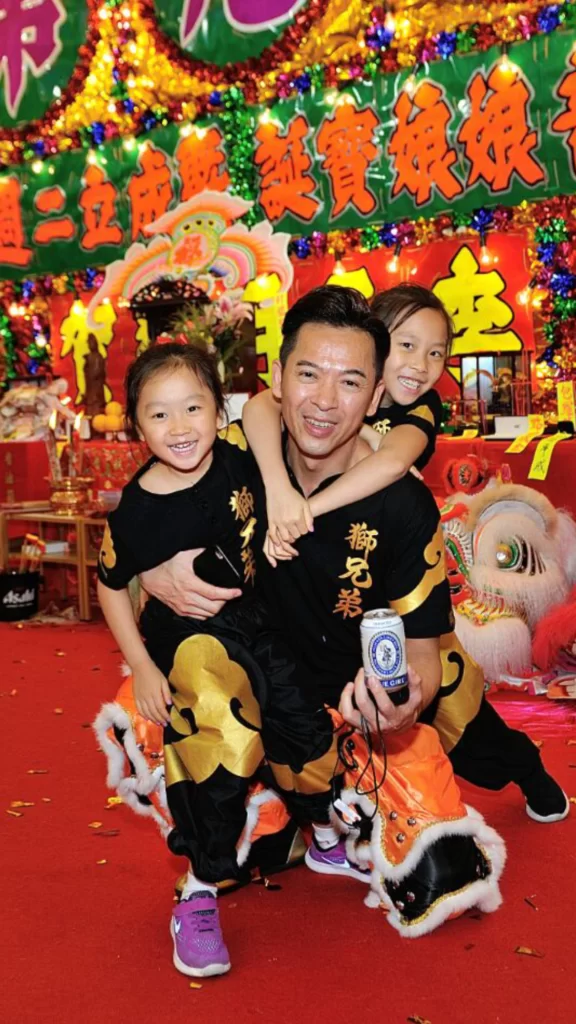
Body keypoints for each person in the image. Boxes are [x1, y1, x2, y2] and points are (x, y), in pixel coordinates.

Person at [142, 286, 568, 827]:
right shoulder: (240, 452)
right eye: (308, 374)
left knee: (466, 728)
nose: (325, 399)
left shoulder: (402, 486)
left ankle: (526, 769)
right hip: (284, 657)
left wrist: (408, 699)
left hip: (378, 645)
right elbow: (141, 518)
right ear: (280, 377)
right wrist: (154, 569)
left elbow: (421, 651)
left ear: (373, 390)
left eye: (349, 380)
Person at [96, 341, 356, 980]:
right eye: (159, 414)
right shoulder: (137, 509)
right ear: (136, 426)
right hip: (189, 640)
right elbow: (109, 585)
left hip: (257, 625)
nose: (179, 427)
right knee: (222, 738)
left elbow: (269, 405)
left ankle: (322, 836)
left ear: (219, 410)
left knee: (305, 728)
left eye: (193, 408)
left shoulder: (239, 452)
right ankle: (199, 889)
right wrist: (143, 667)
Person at [242, 283, 448, 561]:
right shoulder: (330, 390)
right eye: (407, 345)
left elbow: (393, 462)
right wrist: (279, 489)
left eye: (436, 353)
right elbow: (259, 407)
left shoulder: (424, 405)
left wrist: (302, 512)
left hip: (365, 523)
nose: (421, 365)